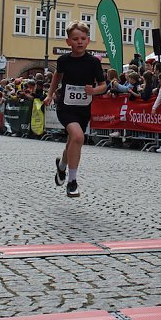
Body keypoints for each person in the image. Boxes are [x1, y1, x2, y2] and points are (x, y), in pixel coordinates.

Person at [45, 21, 108, 198]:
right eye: (75, 39)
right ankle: (72, 182)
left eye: (82, 38)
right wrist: (50, 95)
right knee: (78, 137)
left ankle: (62, 166)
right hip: (65, 107)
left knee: (72, 141)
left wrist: (93, 91)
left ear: (88, 41)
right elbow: (57, 77)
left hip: (83, 108)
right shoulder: (63, 60)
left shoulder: (93, 62)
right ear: (68, 42)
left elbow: (103, 85)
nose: (79, 42)